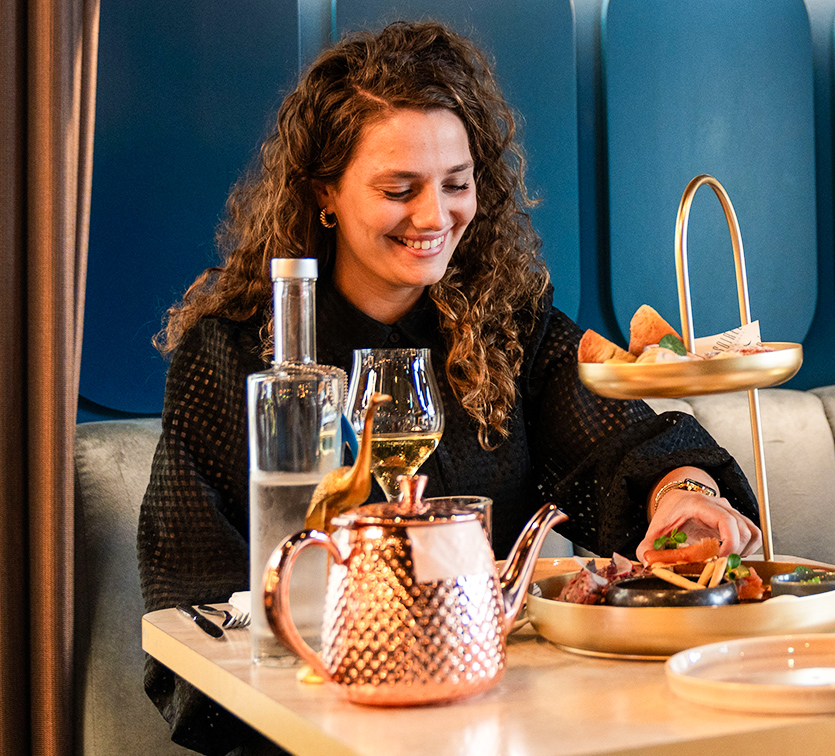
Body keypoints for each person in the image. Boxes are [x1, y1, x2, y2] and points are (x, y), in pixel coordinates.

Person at [138, 21, 761, 755]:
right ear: (325, 192)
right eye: (399, 189)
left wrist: (684, 494)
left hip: (496, 717)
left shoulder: (508, 322)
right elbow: (192, 607)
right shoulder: (234, 355)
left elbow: (626, 446)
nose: (435, 216)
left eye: (456, 184)